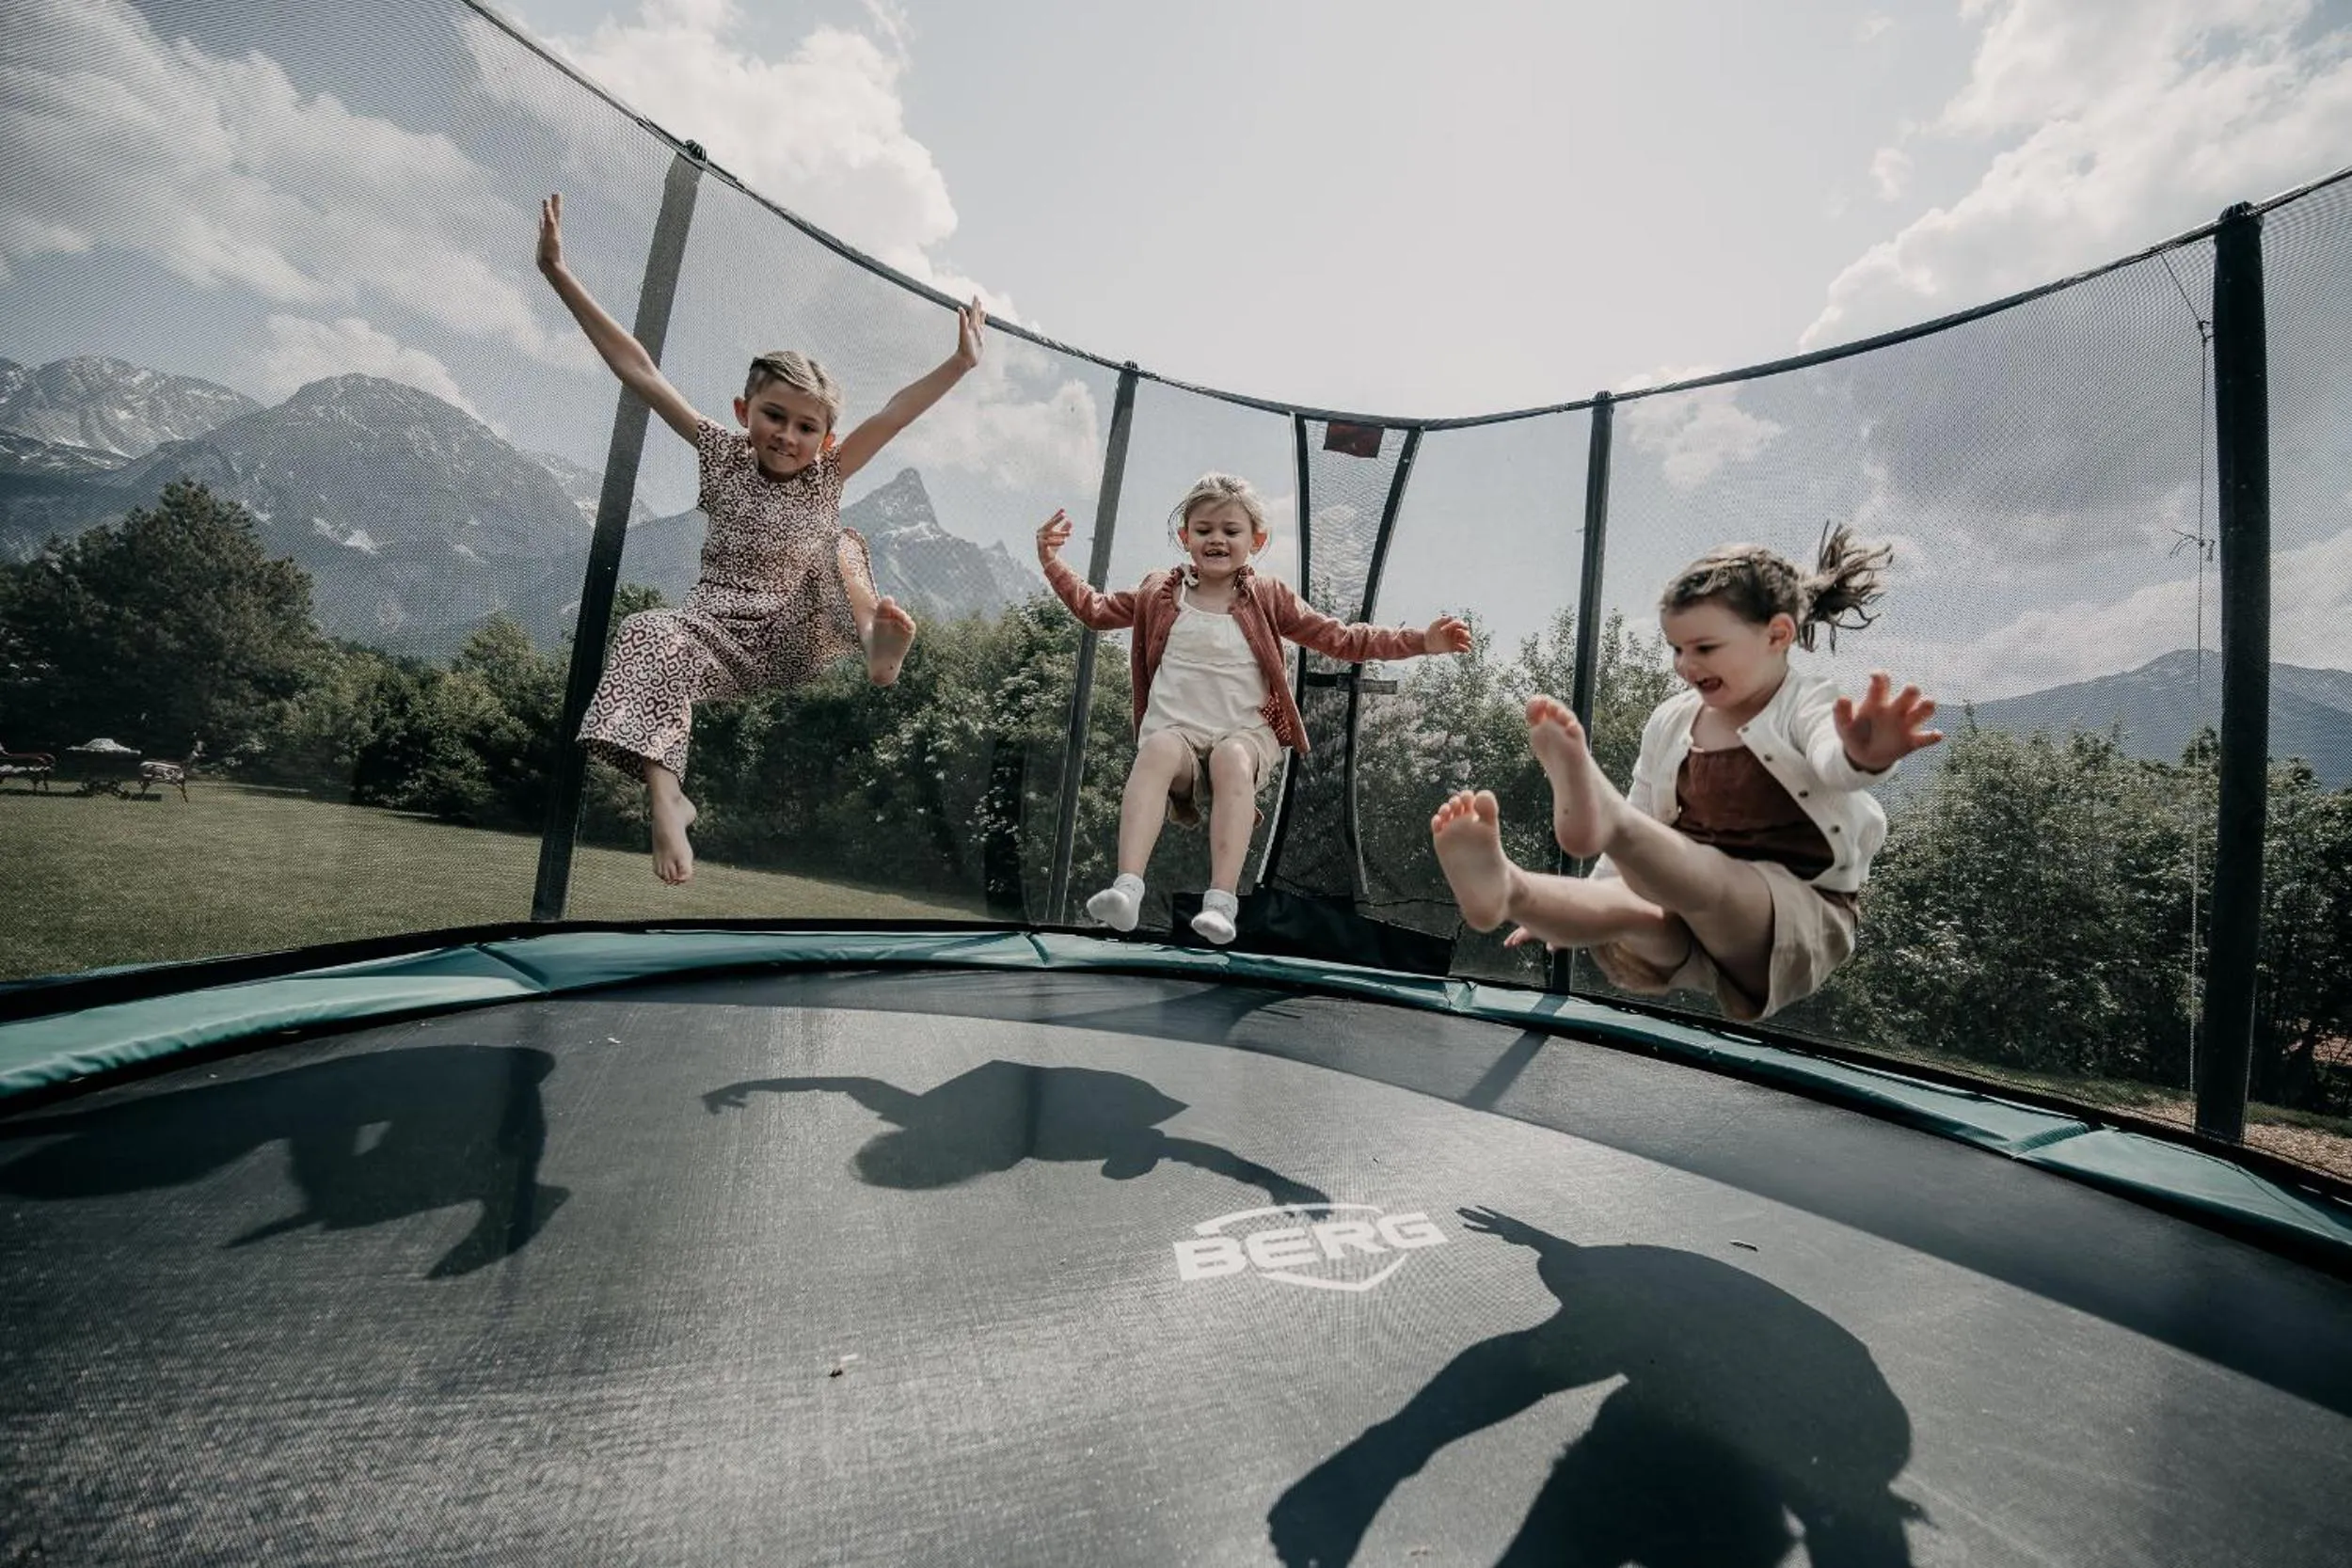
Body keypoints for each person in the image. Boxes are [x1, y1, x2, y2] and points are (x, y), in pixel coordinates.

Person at [536, 193, 985, 884]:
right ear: (745, 412)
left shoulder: (827, 475)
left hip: (792, 631)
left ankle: (876, 646)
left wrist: (957, 364)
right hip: (713, 634)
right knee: (648, 631)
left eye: (807, 427)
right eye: (775, 416)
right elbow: (640, 370)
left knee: (840, 544)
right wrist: (559, 274)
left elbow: (895, 414)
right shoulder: (722, 455)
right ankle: (667, 800)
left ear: (826, 437)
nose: (788, 435)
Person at [1430, 527, 1940, 1021]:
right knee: (1623, 904)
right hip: (1681, 918)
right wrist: (1568, 912)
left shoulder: (1804, 703)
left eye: (1705, 648)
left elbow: (1833, 759)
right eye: (1677, 649)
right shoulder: (1672, 720)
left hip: (1794, 918)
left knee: (1709, 876)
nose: (1685, 665)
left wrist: (1865, 754)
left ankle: (1593, 830)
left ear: (1776, 634)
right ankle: (1511, 890)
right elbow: (1637, 818)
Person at [1038, 472, 1472, 945]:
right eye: (1203, 530)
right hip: (1178, 735)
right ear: (1185, 537)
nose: (1216, 540)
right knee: (1157, 748)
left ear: (1256, 540)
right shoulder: (1158, 593)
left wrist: (1421, 642)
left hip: (1243, 736)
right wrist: (1052, 561)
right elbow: (1096, 610)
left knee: (1231, 759)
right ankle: (1127, 890)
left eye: (1230, 530)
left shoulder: (1267, 596)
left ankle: (1221, 903)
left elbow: (1342, 638)